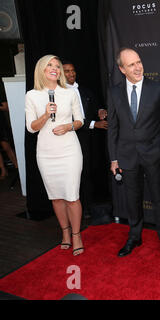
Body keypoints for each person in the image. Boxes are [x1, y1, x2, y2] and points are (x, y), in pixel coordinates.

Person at [108, 47, 160, 257]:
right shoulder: (115, 91)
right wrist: (114, 158)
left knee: (159, 198)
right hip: (127, 155)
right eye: (131, 64)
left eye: (138, 62)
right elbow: (113, 128)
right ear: (121, 69)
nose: (137, 67)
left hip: (153, 154)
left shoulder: (158, 89)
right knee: (132, 199)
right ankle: (134, 236)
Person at [25, 55, 85, 256]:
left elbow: (80, 121)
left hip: (69, 150)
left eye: (57, 66)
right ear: (41, 69)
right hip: (46, 153)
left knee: (72, 196)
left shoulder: (69, 93)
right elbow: (31, 128)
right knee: (56, 197)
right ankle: (65, 233)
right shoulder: (32, 95)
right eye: (50, 65)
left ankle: (76, 235)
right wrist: (44, 115)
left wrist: (68, 126)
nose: (55, 69)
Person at [62, 61, 107, 215]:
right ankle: (82, 209)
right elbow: (71, 120)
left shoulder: (84, 90)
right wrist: (95, 124)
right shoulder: (60, 94)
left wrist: (100, 110)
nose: (71, 74)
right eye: (67, 71)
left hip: (90, 139)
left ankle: (89, 206)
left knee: (89, 171)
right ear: (61, 74)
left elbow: (95, 105)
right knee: (78, 173)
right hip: (73, 138)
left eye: (73, 70)